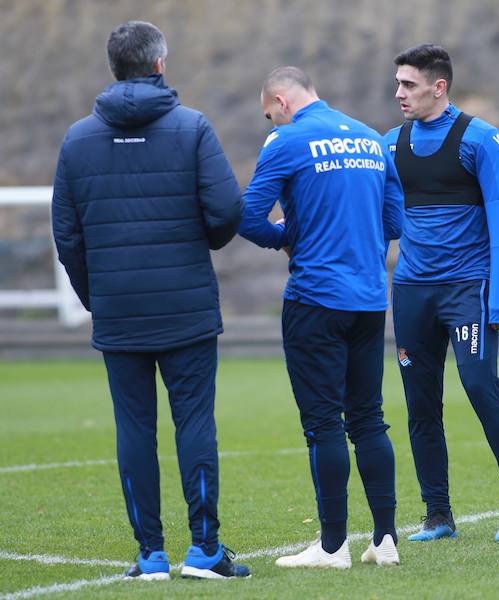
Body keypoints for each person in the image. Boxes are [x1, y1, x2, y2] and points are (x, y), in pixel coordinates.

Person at [51, 21, 250, 579]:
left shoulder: (77, 138)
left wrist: (98, 296)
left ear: (114, 68)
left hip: (119, 309)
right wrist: (203, 243)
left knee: (134, 430)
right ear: (160, 65)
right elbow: (227, 211)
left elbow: (66, 235)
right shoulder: (192, 128)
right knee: (195, 424)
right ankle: (206, 550)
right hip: (185, 307)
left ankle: (151, 555)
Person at [240, 67, 404, 568]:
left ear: (281, 102)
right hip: (371, 299)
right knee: (369, 419)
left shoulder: (286, 140)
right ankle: (385, 540)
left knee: (322, 424)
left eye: (270, 112)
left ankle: (333, 546)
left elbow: (247, 217)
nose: (271, 119)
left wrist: (288, 235)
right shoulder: (372, 139)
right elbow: (394, 222)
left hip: (315, 299)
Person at [385, 44, 499, 543]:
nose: (399, 93)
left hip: (468, 289)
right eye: (398, 83)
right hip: (411, 292)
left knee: (478, 385)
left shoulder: (482, 140)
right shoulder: (390, 144)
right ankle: (438, 515)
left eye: (408, 84)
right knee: (420, 403)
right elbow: (376, 219)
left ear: (439, 86)